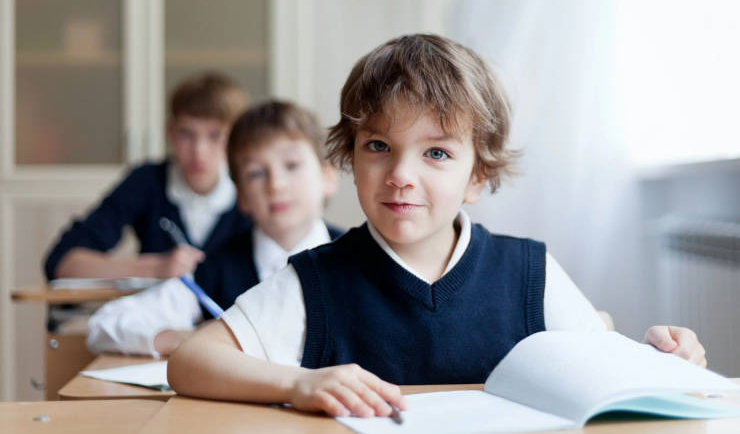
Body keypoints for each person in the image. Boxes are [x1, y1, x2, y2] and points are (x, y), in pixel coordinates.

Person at [168, 35, 706, 419]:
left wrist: (663, 358)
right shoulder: (317, 279)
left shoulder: (527, 271)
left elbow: (599, 362)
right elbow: (191, 361)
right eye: (378, 147)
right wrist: (300, 383)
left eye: (437, 153)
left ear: (478, 176)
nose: (401, 175)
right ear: (350, 160)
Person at [87, 100, 342, 357]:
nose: (275, 185)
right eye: (256, 173)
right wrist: (184, 338)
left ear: (328, 177)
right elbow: (104, 326)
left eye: (292, 166)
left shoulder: (362, 259)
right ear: (240, 195)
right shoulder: (216, 268)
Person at [44, 72, 251, 281]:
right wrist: (156, 268)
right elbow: (64, 263)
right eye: (187, 134)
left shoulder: (252, 188)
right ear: (170, 132)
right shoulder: (147, 182)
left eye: (215, 136)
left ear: (236, 140)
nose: (199, 151)